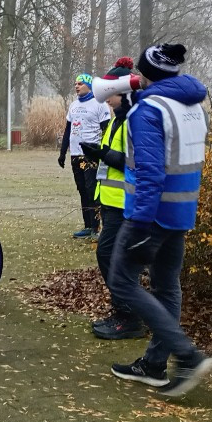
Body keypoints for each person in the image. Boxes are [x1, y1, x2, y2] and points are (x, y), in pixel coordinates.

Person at [108, 44, 212, 398]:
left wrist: (139, 224)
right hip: (180, 213)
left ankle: (187, 356)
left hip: (150, 215)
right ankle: (154, 366)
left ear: (144, 74)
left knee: (122, 281)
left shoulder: (151, 108)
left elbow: (152, 170)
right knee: (167, 287)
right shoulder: (191, 105)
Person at [79, 58, 143, 340]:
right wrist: (98, 153)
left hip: (124, 204)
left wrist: (101, 154)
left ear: (123, 94)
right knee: (114, 256)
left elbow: (135, 161)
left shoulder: (132, 120)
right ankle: (125, 312)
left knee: (110, 255)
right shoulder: (119, 119)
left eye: (111, 95)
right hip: (112, 201)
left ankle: (129, 315)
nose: (106, 101)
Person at [59, 73, 111, 238]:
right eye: (75, 84)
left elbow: (106, 129)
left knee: (91, 190)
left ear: (89, 85)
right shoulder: (73, 105)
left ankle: (96, 227)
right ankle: (88, 226)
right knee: (82, 190)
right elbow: (68, 130)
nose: (77, 86)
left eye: (80, 83)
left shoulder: (99, 103)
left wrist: (104, 152)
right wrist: (62, 152)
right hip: (76, 154)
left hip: (91, 155)